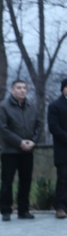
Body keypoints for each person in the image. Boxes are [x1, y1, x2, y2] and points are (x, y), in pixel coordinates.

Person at [0, 80, 42, 221]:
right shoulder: (4, 107)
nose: (22, 90)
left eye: (24, 88)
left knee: (26, 181)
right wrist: (19, 142)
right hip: (9, 151)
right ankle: (6, 210)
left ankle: (23, 210)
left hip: (28, 151)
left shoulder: (32, 106)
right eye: (19, 88)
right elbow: (3, 129)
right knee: (7, 181)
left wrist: (33, 141)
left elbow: (39, 125)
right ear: (12, 90)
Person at [47, 78, 67, 219]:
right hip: (63, 150)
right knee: (63, 179)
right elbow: (54, 128)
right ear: (63, 89)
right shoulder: (55, 106)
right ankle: (60, 207)